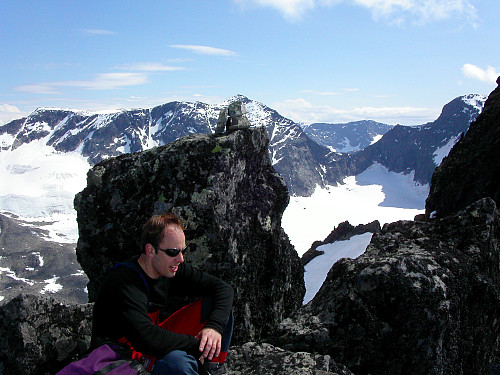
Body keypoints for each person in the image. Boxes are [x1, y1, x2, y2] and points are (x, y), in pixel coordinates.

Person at [91, 213, 234, 375]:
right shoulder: (124, 282)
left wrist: (213, 328)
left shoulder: (169, 268)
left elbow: (223, 289)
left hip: (149, 340)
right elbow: (146, 338)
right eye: (173, 252)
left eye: (183, 251)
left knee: (217, 307)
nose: (180, 259)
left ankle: (212, 367)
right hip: (122, 354)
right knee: (178, 364)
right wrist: (195, 344)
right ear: (150, 250)